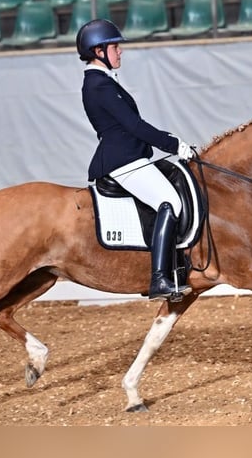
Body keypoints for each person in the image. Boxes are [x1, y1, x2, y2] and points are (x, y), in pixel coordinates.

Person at [77, 18, 193, 301]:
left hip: (130, 157)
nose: (120, 52)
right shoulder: (99, 85)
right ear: (98, 51)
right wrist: (173, 143)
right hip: (123, 161)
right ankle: (160, 279)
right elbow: (134, 126)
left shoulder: (103, 82)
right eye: (115, 47)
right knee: (170, 202)